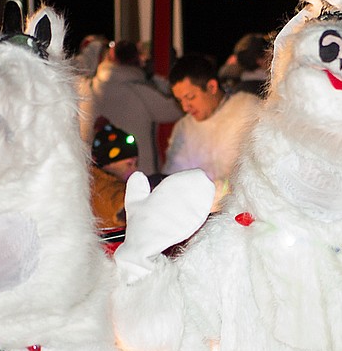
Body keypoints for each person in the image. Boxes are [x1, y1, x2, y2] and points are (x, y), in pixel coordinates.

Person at [163, 52, 262, 204]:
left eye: (190, 97)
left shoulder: (248, 110)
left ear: (211, 87)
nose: (185, 107)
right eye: (179, 101)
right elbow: (173, 176)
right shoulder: (184, 127)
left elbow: (258, 173)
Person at [87, 39, 182, 177]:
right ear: (136, 60)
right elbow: (176, 109)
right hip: (140, 177)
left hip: (99, 181)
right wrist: (156, 80)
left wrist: (93, 48)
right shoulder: (142, 90)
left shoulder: (86, 88)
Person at [89, 120, 139, 230]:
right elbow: (120, 203)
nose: (134, 169)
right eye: (129, 164)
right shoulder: (100, 187)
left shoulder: (101, 181)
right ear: (109, 163)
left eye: (135, 163)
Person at [229, 32, 272, 97]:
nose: (272, 52)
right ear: (259, 61)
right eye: (267, 48)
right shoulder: (266, 87)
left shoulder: (239, 89)